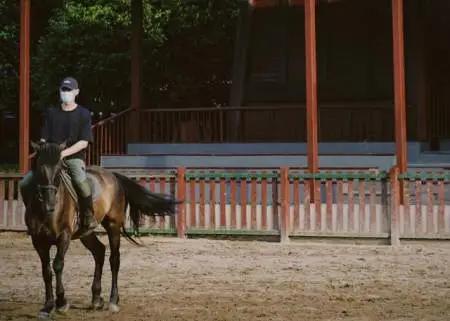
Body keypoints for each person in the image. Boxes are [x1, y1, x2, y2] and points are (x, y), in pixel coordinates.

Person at [19, 77, 97, 236]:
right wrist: (42, 148)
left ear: (76, 92)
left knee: (81, 182)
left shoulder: (84, 114)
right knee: (26, 182)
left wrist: (63, 153)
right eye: (63, 90)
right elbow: (44, 137)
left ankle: (88, 216)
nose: (66, 93)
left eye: (69, 90)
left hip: (73, 157)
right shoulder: (51, 112)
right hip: (50, 158)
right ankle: (32, 216)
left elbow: (83, 142)